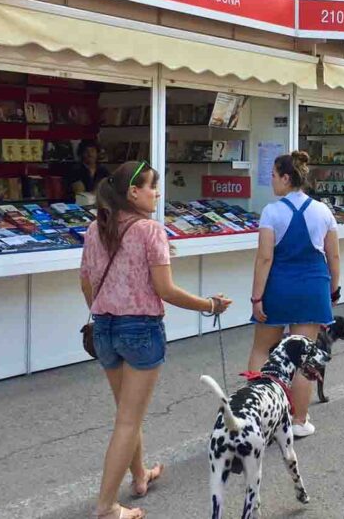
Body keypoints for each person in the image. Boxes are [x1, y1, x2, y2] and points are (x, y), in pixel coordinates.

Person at [81, 161, 232, 519]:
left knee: (126, 414)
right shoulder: (150, 231)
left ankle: (139, 475)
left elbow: (85, 282)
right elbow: (165, 290)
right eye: (152, 187)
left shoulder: (94, 229)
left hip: (104, 327)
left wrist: (105, 311)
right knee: (129, 420)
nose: (157, 194)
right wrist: (210, 305)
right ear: (133, 192)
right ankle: (106, 507)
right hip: (141, 330)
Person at [249, 150, 340, 438]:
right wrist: (333, 288)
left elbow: (264, 259)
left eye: (274, 176)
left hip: (279, 288)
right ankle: (299, 421)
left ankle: (260, 417)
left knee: (263, 350)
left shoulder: (271, 212)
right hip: (312, 287)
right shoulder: (323, 211)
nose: (271, 181)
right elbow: (333, 255)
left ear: (286, 178)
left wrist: (256, 297)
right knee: (304, 357)